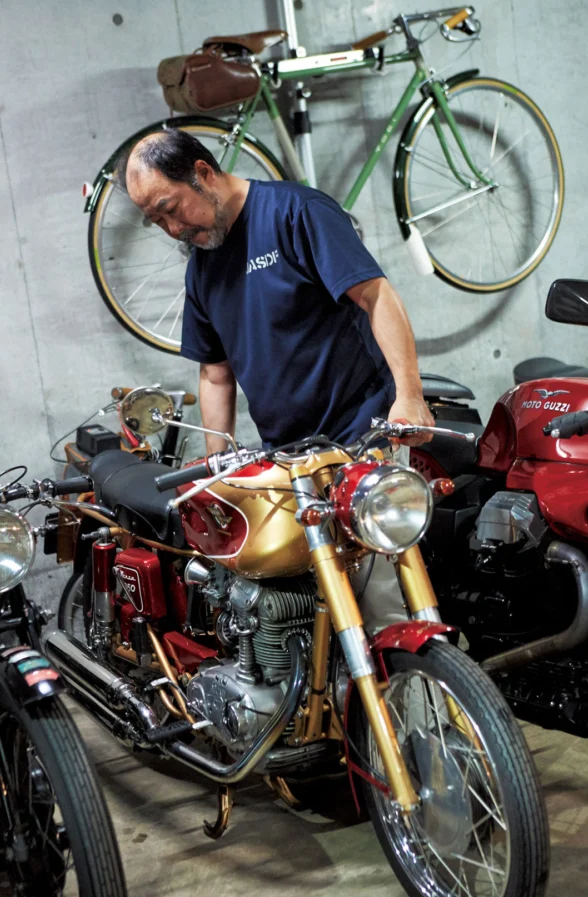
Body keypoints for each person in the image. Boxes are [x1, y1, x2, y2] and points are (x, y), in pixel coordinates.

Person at [120, 128, 435, 626]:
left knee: (382, 603)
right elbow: (215, 374)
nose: (172, 229)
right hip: (287, 461)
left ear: (203, 174)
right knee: (308, 607)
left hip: (362, 435)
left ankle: (422, 674)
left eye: (171, 208)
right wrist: (216, 464)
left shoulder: (296, 213)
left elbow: (376, 296)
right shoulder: (201, 270)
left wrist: (410, 395)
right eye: (157, 221)